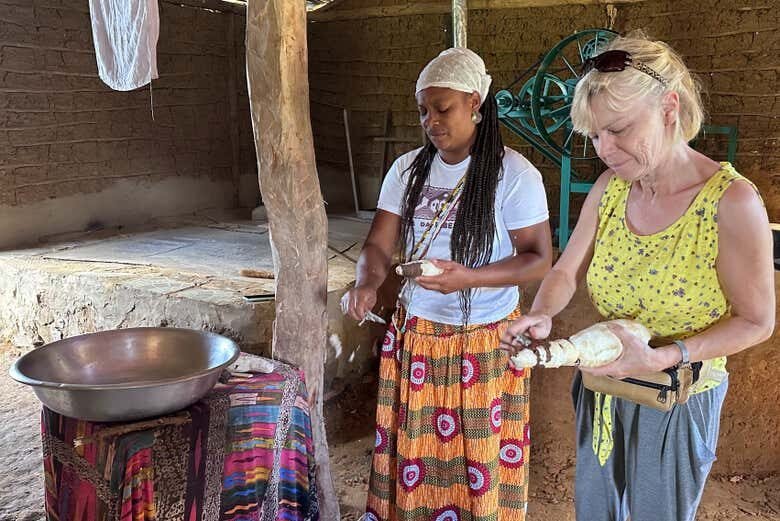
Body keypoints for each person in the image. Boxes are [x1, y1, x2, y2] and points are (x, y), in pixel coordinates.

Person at [500, 31, 775, 521]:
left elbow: (757, 321)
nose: (604, 148)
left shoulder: (731, 203)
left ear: (669, 108)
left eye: (619, 130)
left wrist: (661, 356)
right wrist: (541, 314)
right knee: (597, 511)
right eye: (594, 135)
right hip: (604, 386)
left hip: (676, 397)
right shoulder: (610, 188)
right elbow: (565, 271)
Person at [342, 48, 552, 520]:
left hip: (486, 340)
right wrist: (367, 282)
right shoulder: (407, 170)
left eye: (443, 109)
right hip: (418, 336)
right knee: (416, 453)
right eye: (423, 111)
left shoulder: (513, 175)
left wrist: (470, 279)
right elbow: (378, 244)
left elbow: (539, 259)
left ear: (475, 104)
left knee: (475, 457)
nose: (431, 121)